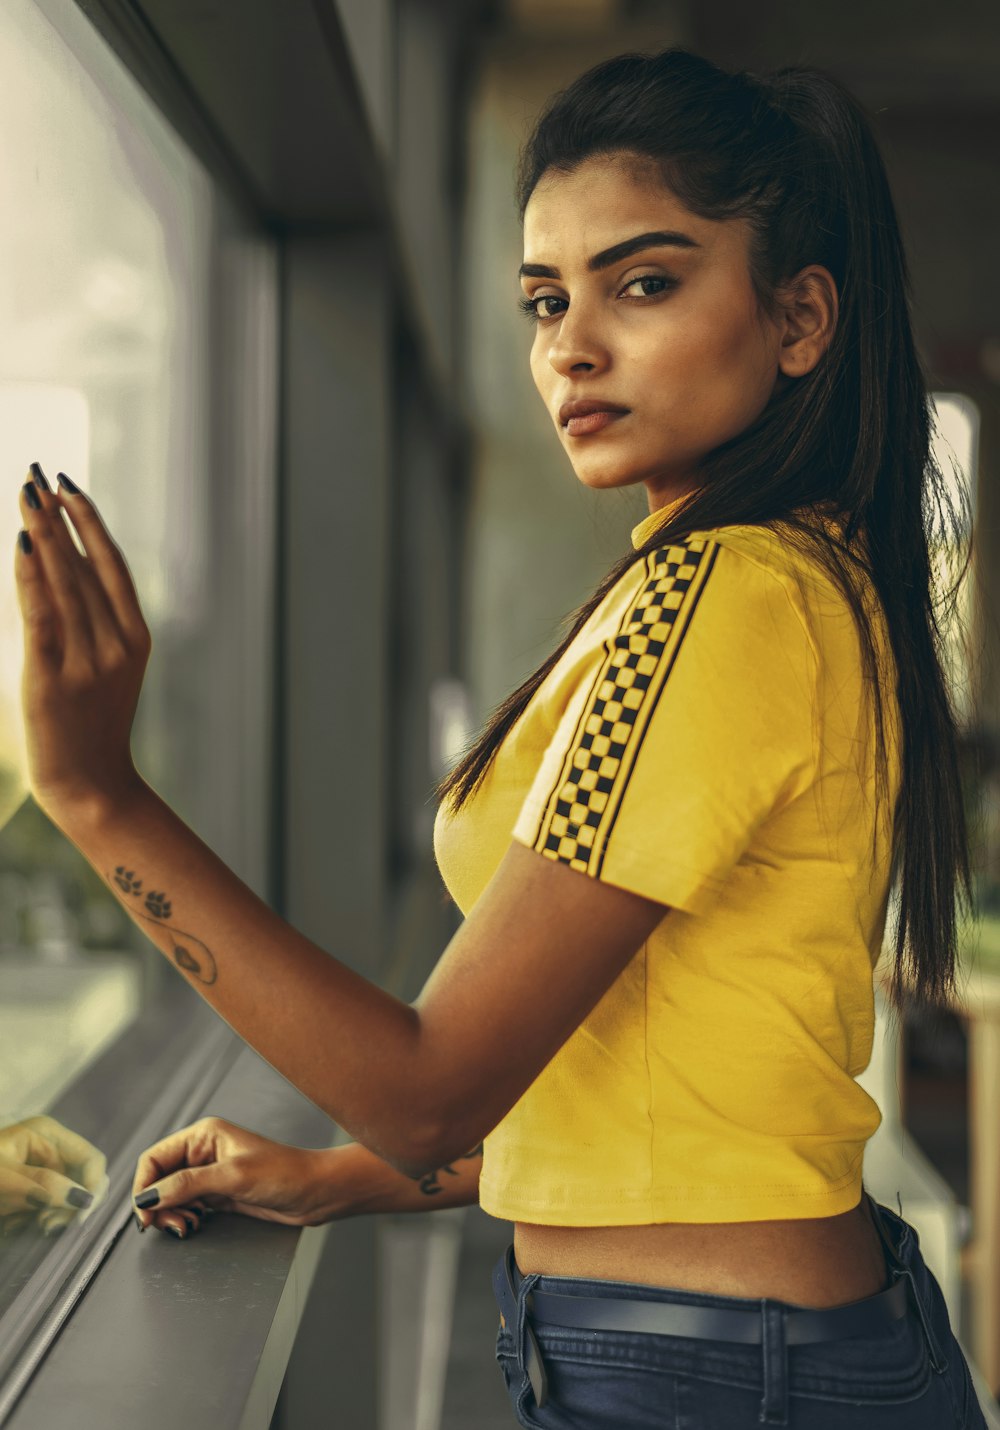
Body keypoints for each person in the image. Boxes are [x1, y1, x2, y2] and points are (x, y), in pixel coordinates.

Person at [11, 43, 987, 1430]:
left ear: (800, 319)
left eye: (644, 283)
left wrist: (96, 795)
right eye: (545, 299)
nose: (571, 346)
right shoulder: (761, 579)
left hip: (719, 1378)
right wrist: (331, 1173)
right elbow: (647, 1084)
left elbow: (430, 1088)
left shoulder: (727, 598)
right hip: (748, 1353)